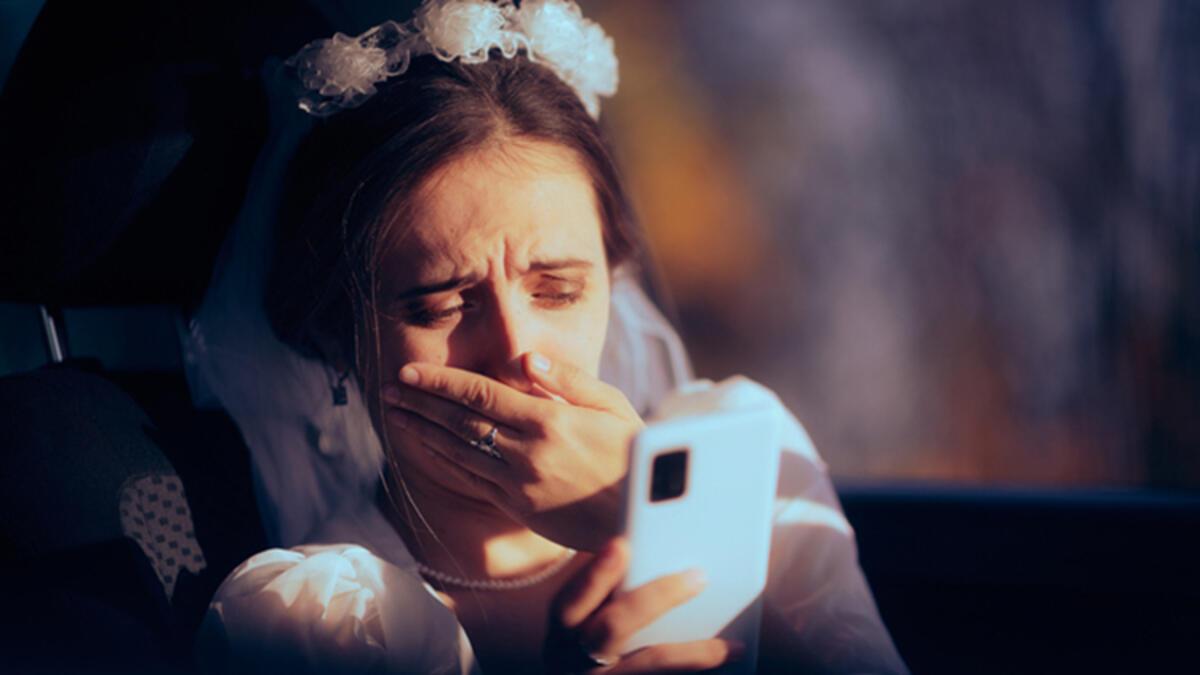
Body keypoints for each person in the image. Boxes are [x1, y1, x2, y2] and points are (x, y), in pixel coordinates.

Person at [191, 1, 908, 673]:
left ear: (613, 280)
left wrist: (660, 523)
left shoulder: (750, 475)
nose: (519, 352)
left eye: (558, 290)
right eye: (440, 306)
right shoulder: (323, 619)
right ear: (333, 335)